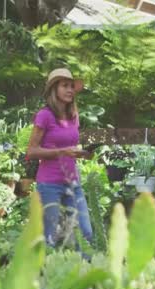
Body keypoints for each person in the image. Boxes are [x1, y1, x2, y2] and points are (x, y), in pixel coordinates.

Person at [26, 68, 93, 247]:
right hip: (50, 185)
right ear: (54, 89)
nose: (70, 89)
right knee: (50, 238)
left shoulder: (73, 116)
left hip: (73, 183)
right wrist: (62, 152)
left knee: (84, 233)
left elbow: (70, 147)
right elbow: (31, 152)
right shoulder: (44, 115)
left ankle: (85, 271)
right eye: (65, 86)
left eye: (72, 86)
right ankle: (45, 273)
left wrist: (82, 154)